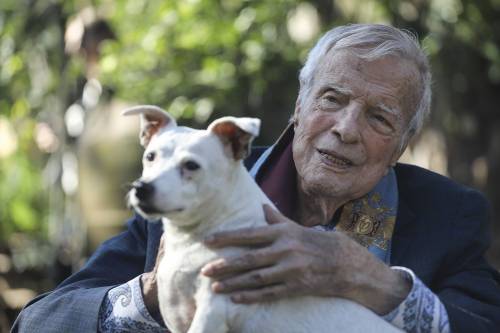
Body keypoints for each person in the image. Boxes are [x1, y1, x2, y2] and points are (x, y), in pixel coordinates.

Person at [13, 23, 500, 333]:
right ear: (299, 106)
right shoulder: (195, 185)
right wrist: (154, 296)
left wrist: (374, 284)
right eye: (332, 99)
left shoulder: (447, 215)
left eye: (379, 118)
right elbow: (39, 323)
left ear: (401, 145)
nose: (346, 129)